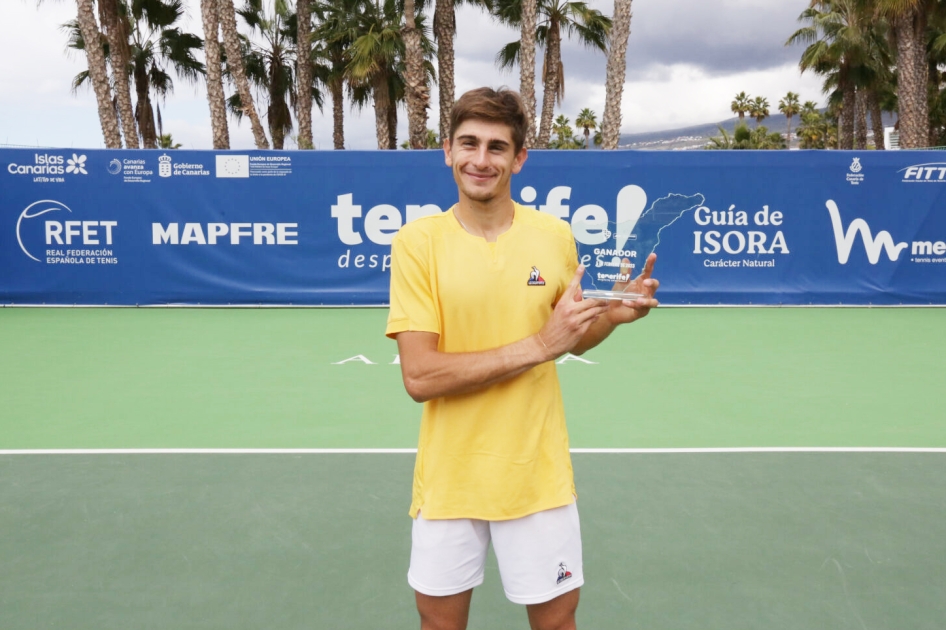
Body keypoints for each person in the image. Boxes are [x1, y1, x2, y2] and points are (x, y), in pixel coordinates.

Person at [385, 86, 659, 630]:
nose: (480, 160)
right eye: (469, 144)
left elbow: (567, 336)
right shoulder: (418, 243)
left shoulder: (554, 236)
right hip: (450, 476)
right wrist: (538, 347)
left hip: (536, 472)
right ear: (447, 150)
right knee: (440, 625)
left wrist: (610, 318)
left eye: (496, 147)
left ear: (519, 158)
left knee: (557, 623)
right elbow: (420, 376)